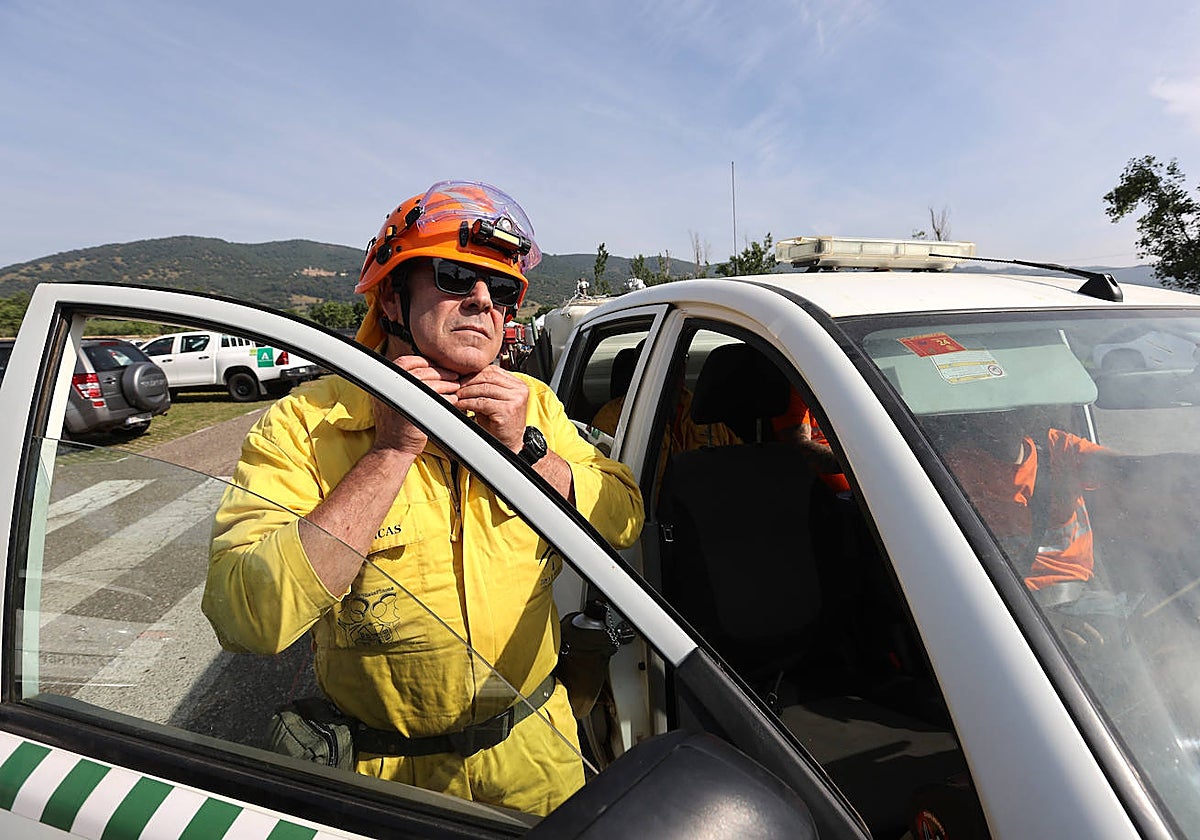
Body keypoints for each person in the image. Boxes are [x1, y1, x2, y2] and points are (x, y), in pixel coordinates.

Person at [203, 180, 645, 815]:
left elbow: (624, 519)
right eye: (455, 276)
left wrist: (529, 450)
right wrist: (389, 450)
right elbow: (249, 619)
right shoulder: (306, 423)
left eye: (504, 291)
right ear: (391, 295)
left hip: (534, 753)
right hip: (383, 782)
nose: (484, 302)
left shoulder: (535, 405)